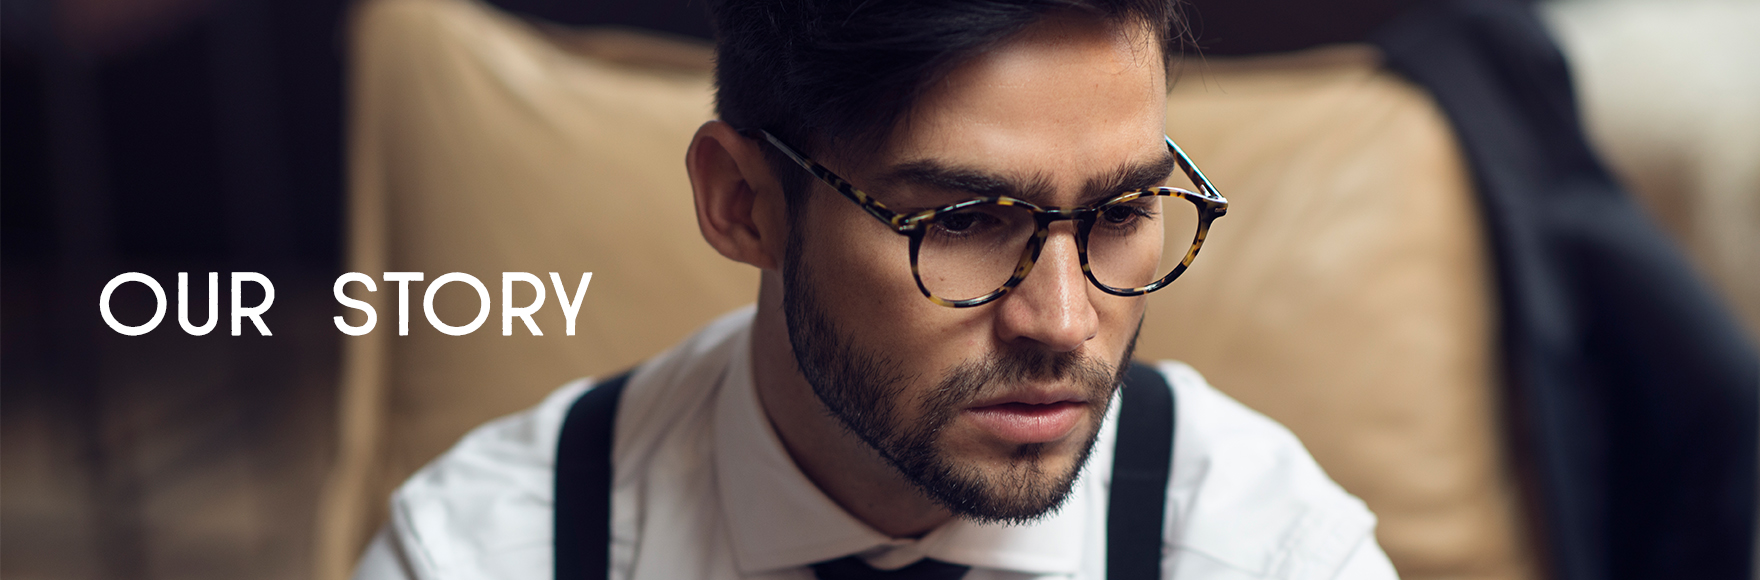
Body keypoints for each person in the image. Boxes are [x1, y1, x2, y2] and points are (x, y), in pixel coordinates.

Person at [351, 0, 1398, 578]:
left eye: (1122, 211)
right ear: (743, 203)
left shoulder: (1270, 549)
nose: (1064, 321)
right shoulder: (480, 552)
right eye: (964, 221)